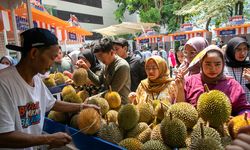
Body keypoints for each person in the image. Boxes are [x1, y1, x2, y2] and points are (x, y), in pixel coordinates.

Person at [0, 28, 98, 149]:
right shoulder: (3, 83)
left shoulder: (36, 80)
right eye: (52, 57)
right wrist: (48, 138)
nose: (53, 63)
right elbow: (3, 136)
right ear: (34, 53)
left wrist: (82, 106)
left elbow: (52, 103)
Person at [176, 45, 250, 116]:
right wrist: (180, 89)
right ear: (201, 64)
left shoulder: (232, 85)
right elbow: (180, 109)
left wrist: (242, 119)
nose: (212, 69)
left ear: (223, 65)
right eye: (208, 64)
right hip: (194, 128)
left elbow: (244, 108)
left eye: (217, 64)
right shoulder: (189, 81)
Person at [76, 37, 131, 104]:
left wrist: (92, 98)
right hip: (107, 103)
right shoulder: (106, 64)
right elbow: (98, 82)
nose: (99, 59)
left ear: (111, 52)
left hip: (121, 105)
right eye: (97, 57)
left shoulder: (122, 66)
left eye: (100, 56)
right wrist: (86, 69)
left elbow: (112, 91)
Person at [224, 37, 250, 102]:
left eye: (245, 49)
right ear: (231, 50)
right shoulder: (223, 69)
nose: (243, 53)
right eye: (238, 49)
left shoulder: (248, 67)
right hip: (231, 108)